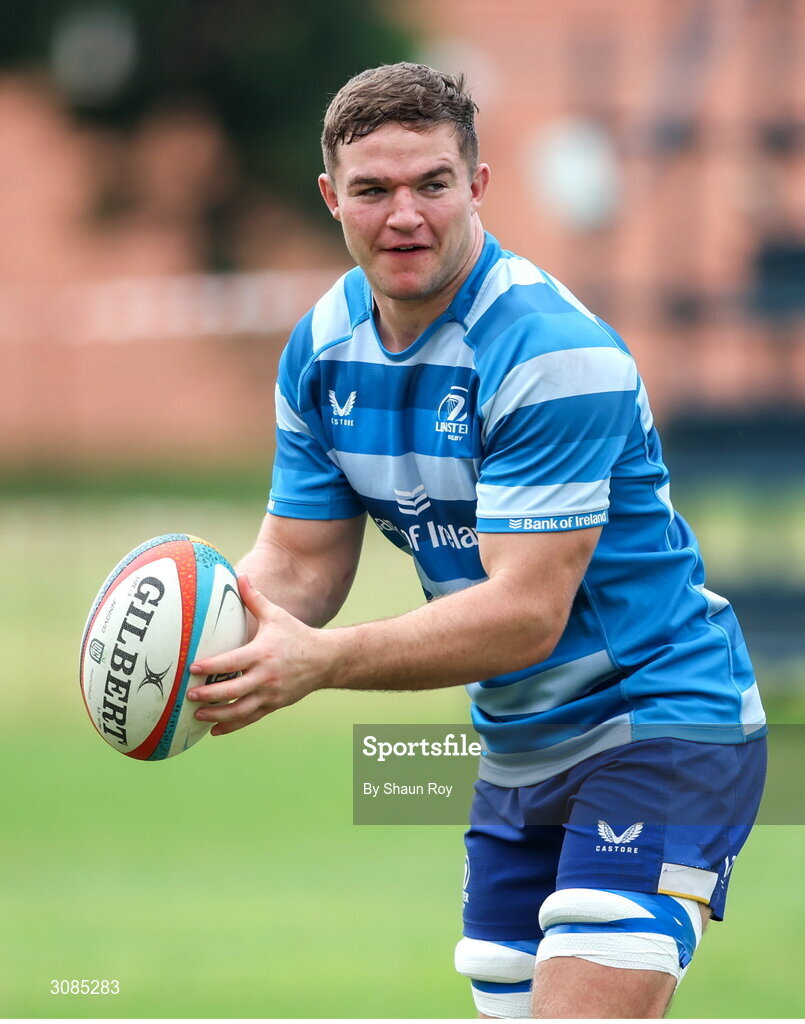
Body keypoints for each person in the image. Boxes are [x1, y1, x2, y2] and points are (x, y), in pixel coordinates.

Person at [186, 62, 767, 1018]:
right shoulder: (323, 348)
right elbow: (299, 562)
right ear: (332, 198)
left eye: (431, 184)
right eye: (373, 190)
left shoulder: (546, 351)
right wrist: (201, 644)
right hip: (519, 746)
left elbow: (524, 615)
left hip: (660, 717)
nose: (403, 214)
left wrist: (322, 664)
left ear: (478, 187)